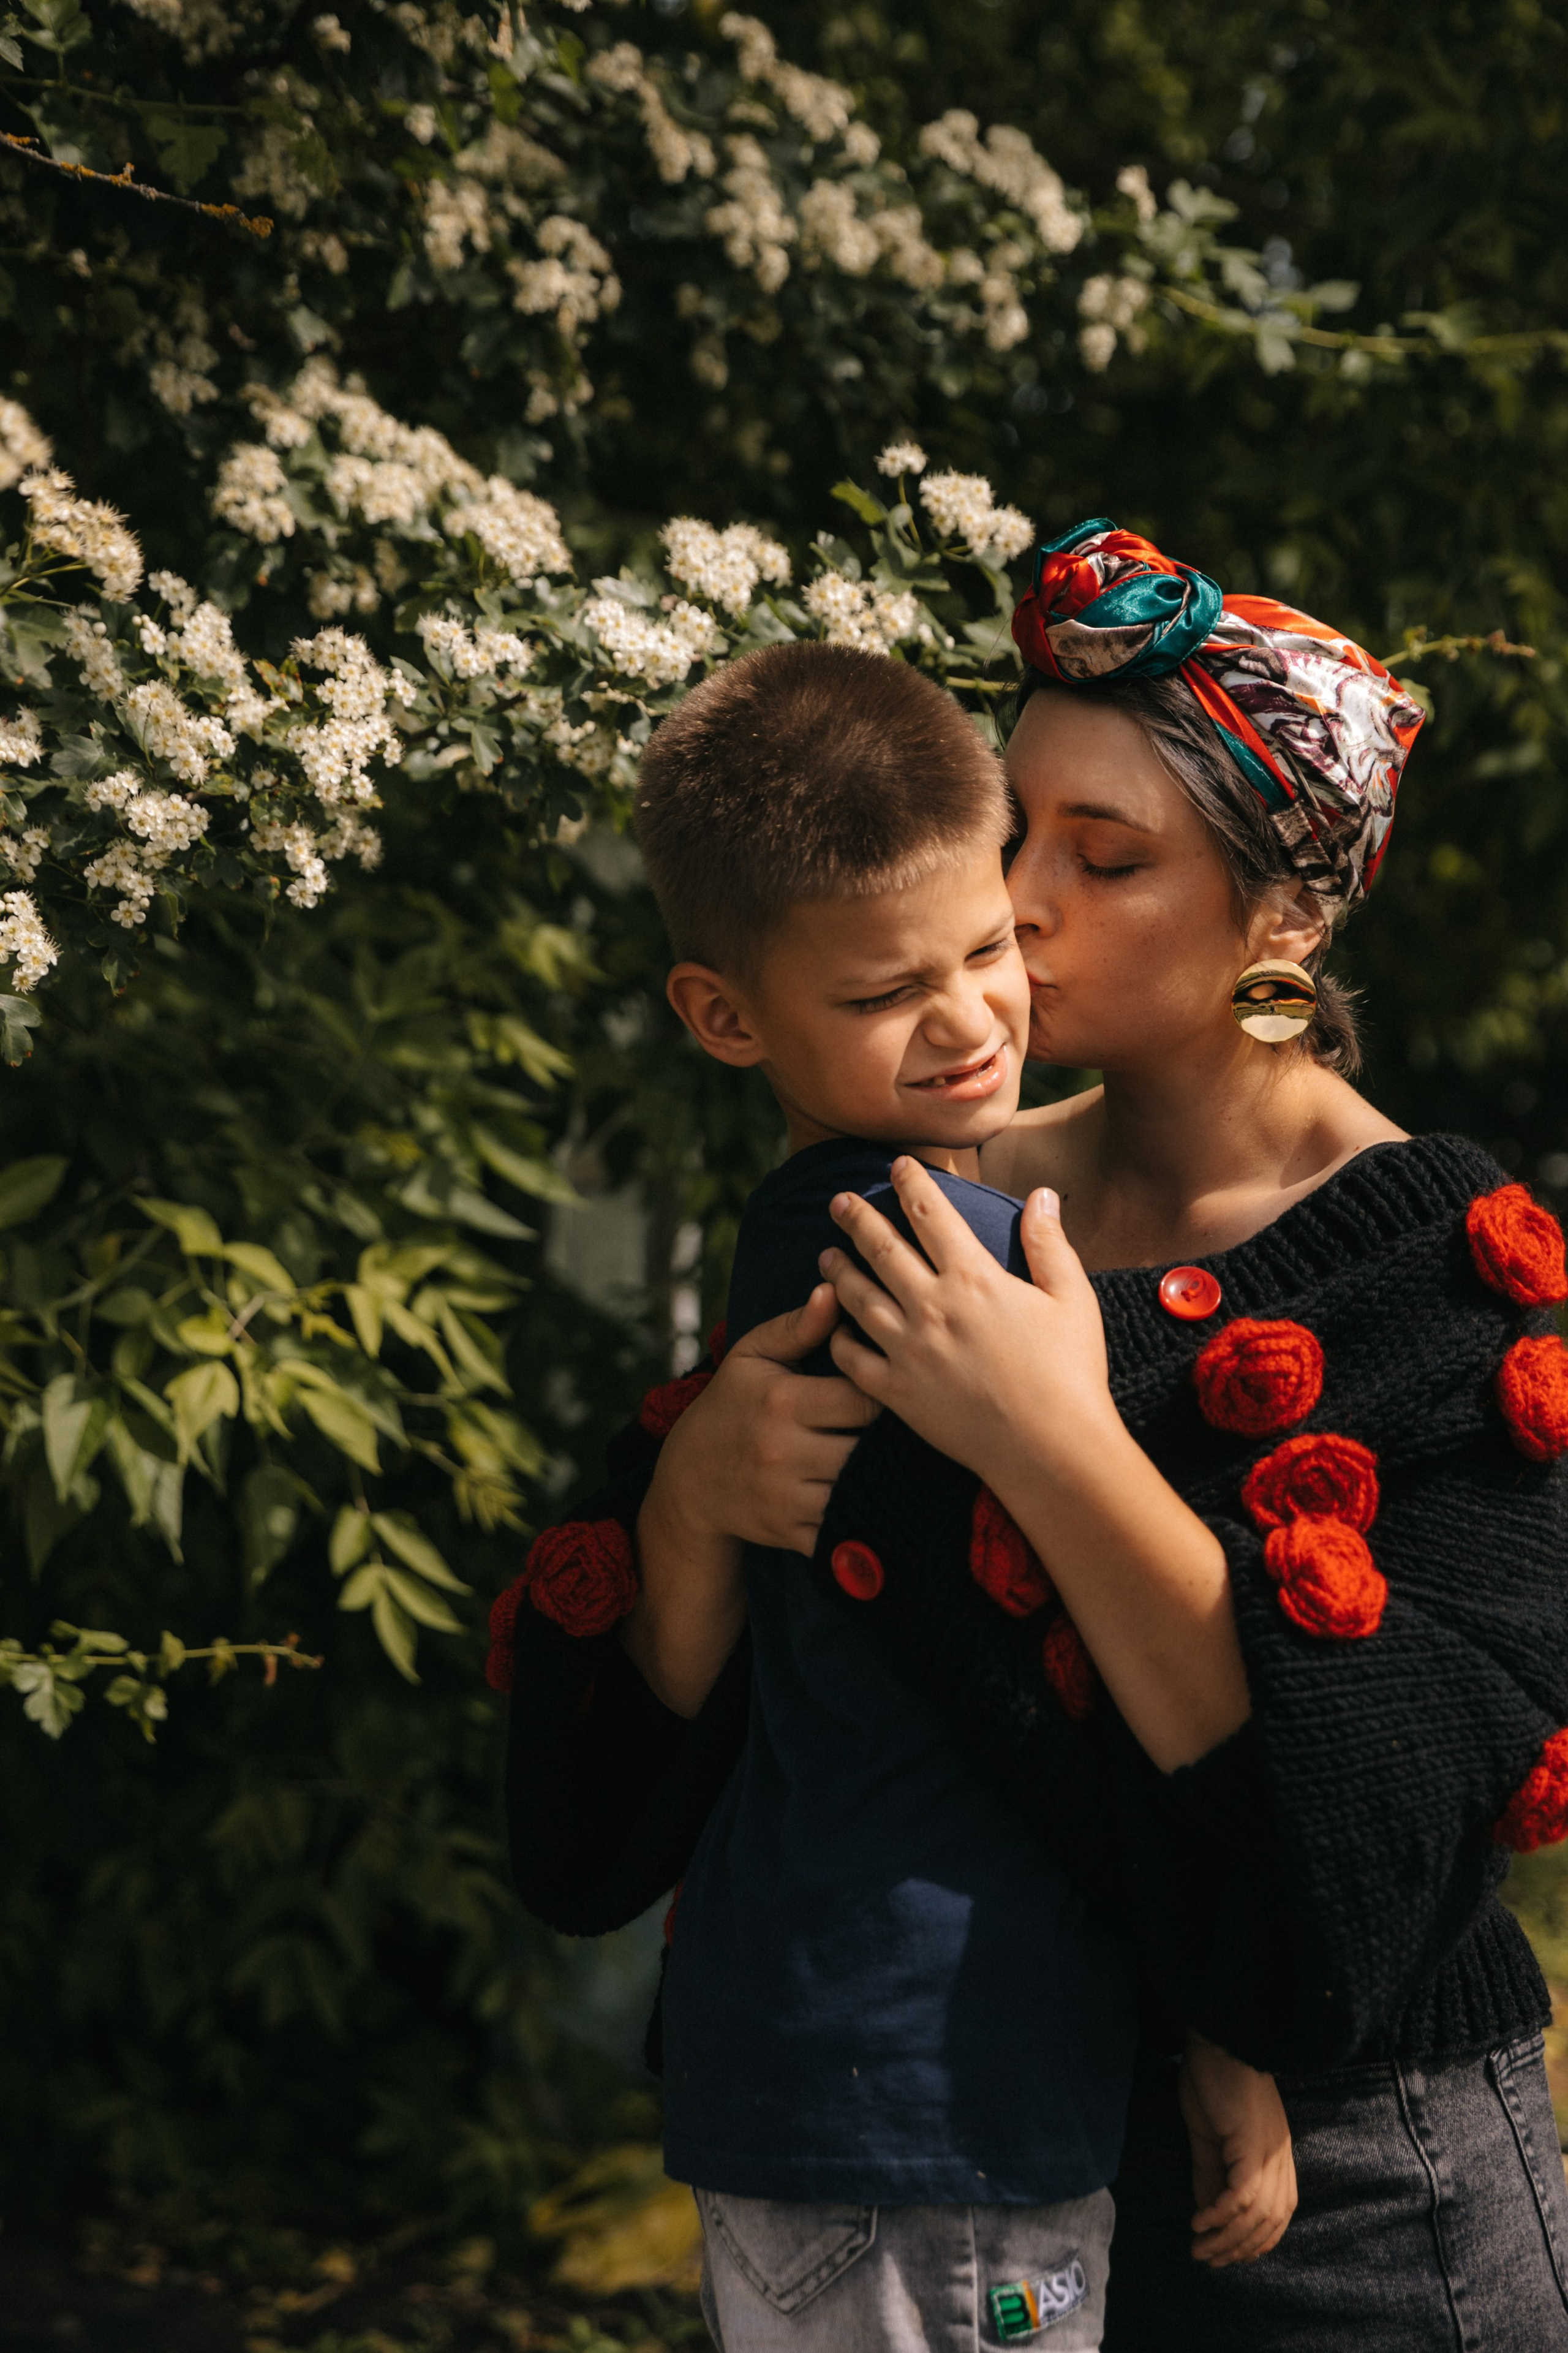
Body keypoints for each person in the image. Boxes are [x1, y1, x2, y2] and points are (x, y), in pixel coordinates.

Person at [571, 519, 1568, 2351]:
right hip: (966, 2153)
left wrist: (1058, 1440)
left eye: (1100, 858)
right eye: (1010, 826)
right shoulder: (901, 1202)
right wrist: (694, 1508)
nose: (1012, 902)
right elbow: (603, 1798)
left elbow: (1365, 1865)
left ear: (1287, 918)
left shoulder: (1455, 1284)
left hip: (1363, 2213)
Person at [496, 639, 1297, 2353]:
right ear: (722, 1013)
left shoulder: (810, 1225)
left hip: (847, 2061)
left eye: (991, 948)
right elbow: (1076, 1705)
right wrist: (1229, 2022)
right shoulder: (942, 1263)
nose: (968, 1018)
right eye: (881, 997)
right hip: (935, 2079)